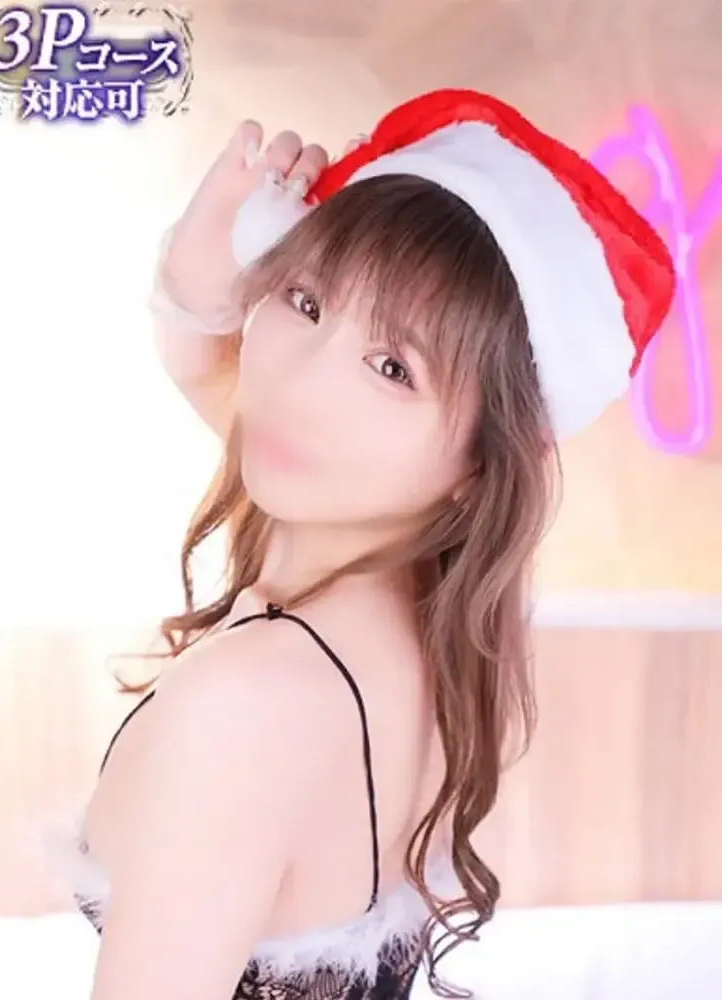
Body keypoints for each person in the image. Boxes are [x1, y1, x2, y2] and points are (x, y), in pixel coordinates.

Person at [47, 90, 674, 1000]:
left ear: (478, 463)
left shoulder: (251, 701)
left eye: (392, 368)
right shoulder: (417, 614)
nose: (300, 382)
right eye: (304, 300)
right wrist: (192, 284)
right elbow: (225, 382)